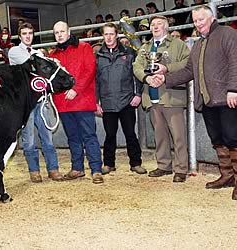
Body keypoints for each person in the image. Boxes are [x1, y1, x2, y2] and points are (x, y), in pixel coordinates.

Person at [151, 6, 237, 200]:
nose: (198, 24)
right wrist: (166, 79)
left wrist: (233, 90)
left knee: (233, 137)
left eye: (201, 20)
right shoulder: (197, 44)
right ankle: (227, 175)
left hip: (226, 98)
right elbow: (189, 71)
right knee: (217, 139)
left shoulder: (228, 35)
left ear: (211, 18)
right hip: (207, 100)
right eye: (195, 21)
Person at [132, 16, 190, 182]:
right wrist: (146, 78)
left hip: (171, 96)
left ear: (166, 27)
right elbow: (137, 66)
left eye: (159, 24)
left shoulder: (178, 44)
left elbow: (187, 63)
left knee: (178, 135)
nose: (155, 27)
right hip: (151, 96)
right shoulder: (145, 47)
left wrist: (167, 68)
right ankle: (164, 165)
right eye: (152, 24)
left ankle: (181, 168)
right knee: (160, 135)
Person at [8, 22, 64, 183]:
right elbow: (32, 65)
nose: (28, 36)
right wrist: (48, 61)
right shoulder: (15, 52)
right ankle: (34, 171)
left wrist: (48, 61)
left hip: (40, 99)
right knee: (29, 138)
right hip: (25, 102)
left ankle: (53, 169)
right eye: (24, 33)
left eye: (30, 33)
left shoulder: (37, 53)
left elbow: (45, 69)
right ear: (20, 36)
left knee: (47, 136)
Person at [49, 21, 104, 184]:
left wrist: (76, 89)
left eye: (62, 31)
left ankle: (96, 170)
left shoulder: (84, 47)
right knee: (72, 137)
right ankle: (77, 168)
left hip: (81, 100)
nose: (59, 35)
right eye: (56, 32)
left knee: (89, 135)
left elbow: (90, 69)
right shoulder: (53, 55)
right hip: (63, 102)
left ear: (69, 31)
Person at [95, 23, 147, 176]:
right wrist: (96, 102)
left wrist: (138, 94)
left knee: (130, 133)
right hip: (108, 102)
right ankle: (109, 164)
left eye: (112, 34)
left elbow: (136, 75)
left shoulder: (130, 52)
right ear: (103, 36)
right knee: (110, 135)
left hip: (126, 101)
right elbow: (96, 81)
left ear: (117, 35)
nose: (109, 37)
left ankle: (136, 163)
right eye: (106, 34)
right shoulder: (98, 55)